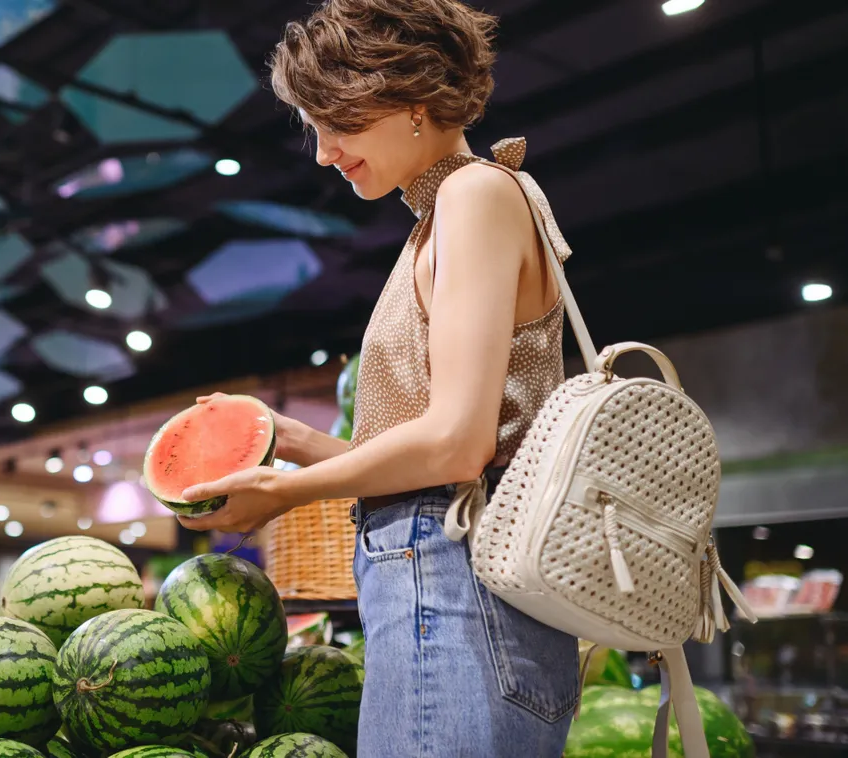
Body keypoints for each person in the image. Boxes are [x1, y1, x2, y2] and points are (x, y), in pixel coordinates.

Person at [175, 0, 581, 754]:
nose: (324, 153)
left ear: (410, 98)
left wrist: (285, 495)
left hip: (457, 589)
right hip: (445, 587)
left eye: (337, 122)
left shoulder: (475, 195)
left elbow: (457, 450)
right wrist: (288, 439)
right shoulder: (440, 218)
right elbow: (431, 457)